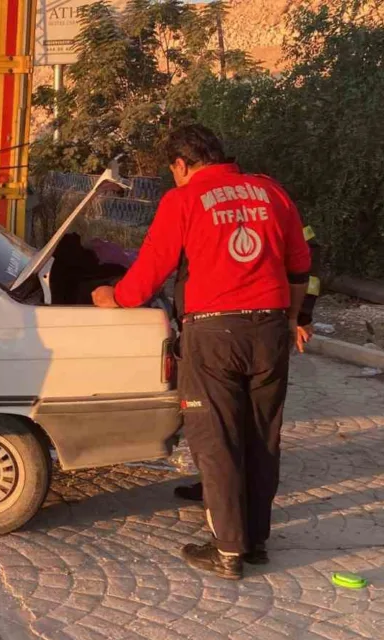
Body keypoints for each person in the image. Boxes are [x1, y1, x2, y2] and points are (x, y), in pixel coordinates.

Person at [91, 125, 311, 580]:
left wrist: (113, 296)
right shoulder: (271, 192)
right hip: (269, 329)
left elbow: (151, 269)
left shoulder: (185, 199)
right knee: (261, 434)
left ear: (181, 164)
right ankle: (255, 540)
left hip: (213, 334)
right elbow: (300, 266)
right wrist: (292, 321)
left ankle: (227, 550)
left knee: (216, 440)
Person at [174, 224, 324, 503]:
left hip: (253, 324)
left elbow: (306, 260)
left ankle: (236, 501)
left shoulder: (269, 200)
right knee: (221, 420)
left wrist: (301, 315)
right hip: (208, 322)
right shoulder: (210, 202)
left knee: (246, 421)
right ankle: (220, 488)